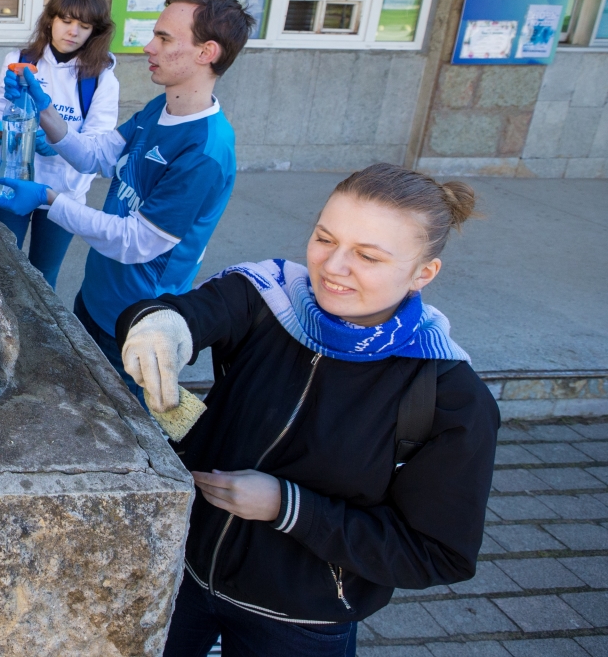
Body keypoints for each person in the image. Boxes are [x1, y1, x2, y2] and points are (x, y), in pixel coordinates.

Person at [116, 163, 499, 656]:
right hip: (182, 574)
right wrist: (158, 327)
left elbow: (439, 553)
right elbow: (182, 312)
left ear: (422, 273)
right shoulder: (269, 297)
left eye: (367, 256)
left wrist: (288, 507)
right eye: (324, 238)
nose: (333, 267)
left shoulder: (449, 396)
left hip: (299, 622)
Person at [0, 0, 253, 398]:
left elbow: (135, 242)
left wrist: (48, 199)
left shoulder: (205, 152)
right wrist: (43, 109)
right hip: (95, 298)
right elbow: (95, 156)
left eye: (164, 38)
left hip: (136, 324)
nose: (149, 47)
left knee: (122, 418)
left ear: (207, 52)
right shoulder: (158, 108)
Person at [0, 0, 119, 288]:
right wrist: (2, 131)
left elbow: (98, 144)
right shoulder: (19, 60)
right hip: (12, 182)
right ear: (50, 20)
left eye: (84, 26)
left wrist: (59, 145)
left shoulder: (100, 78)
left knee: (44, 277)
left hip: (63, 192)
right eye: (66, 21)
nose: (73, 31)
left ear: (96, 32)